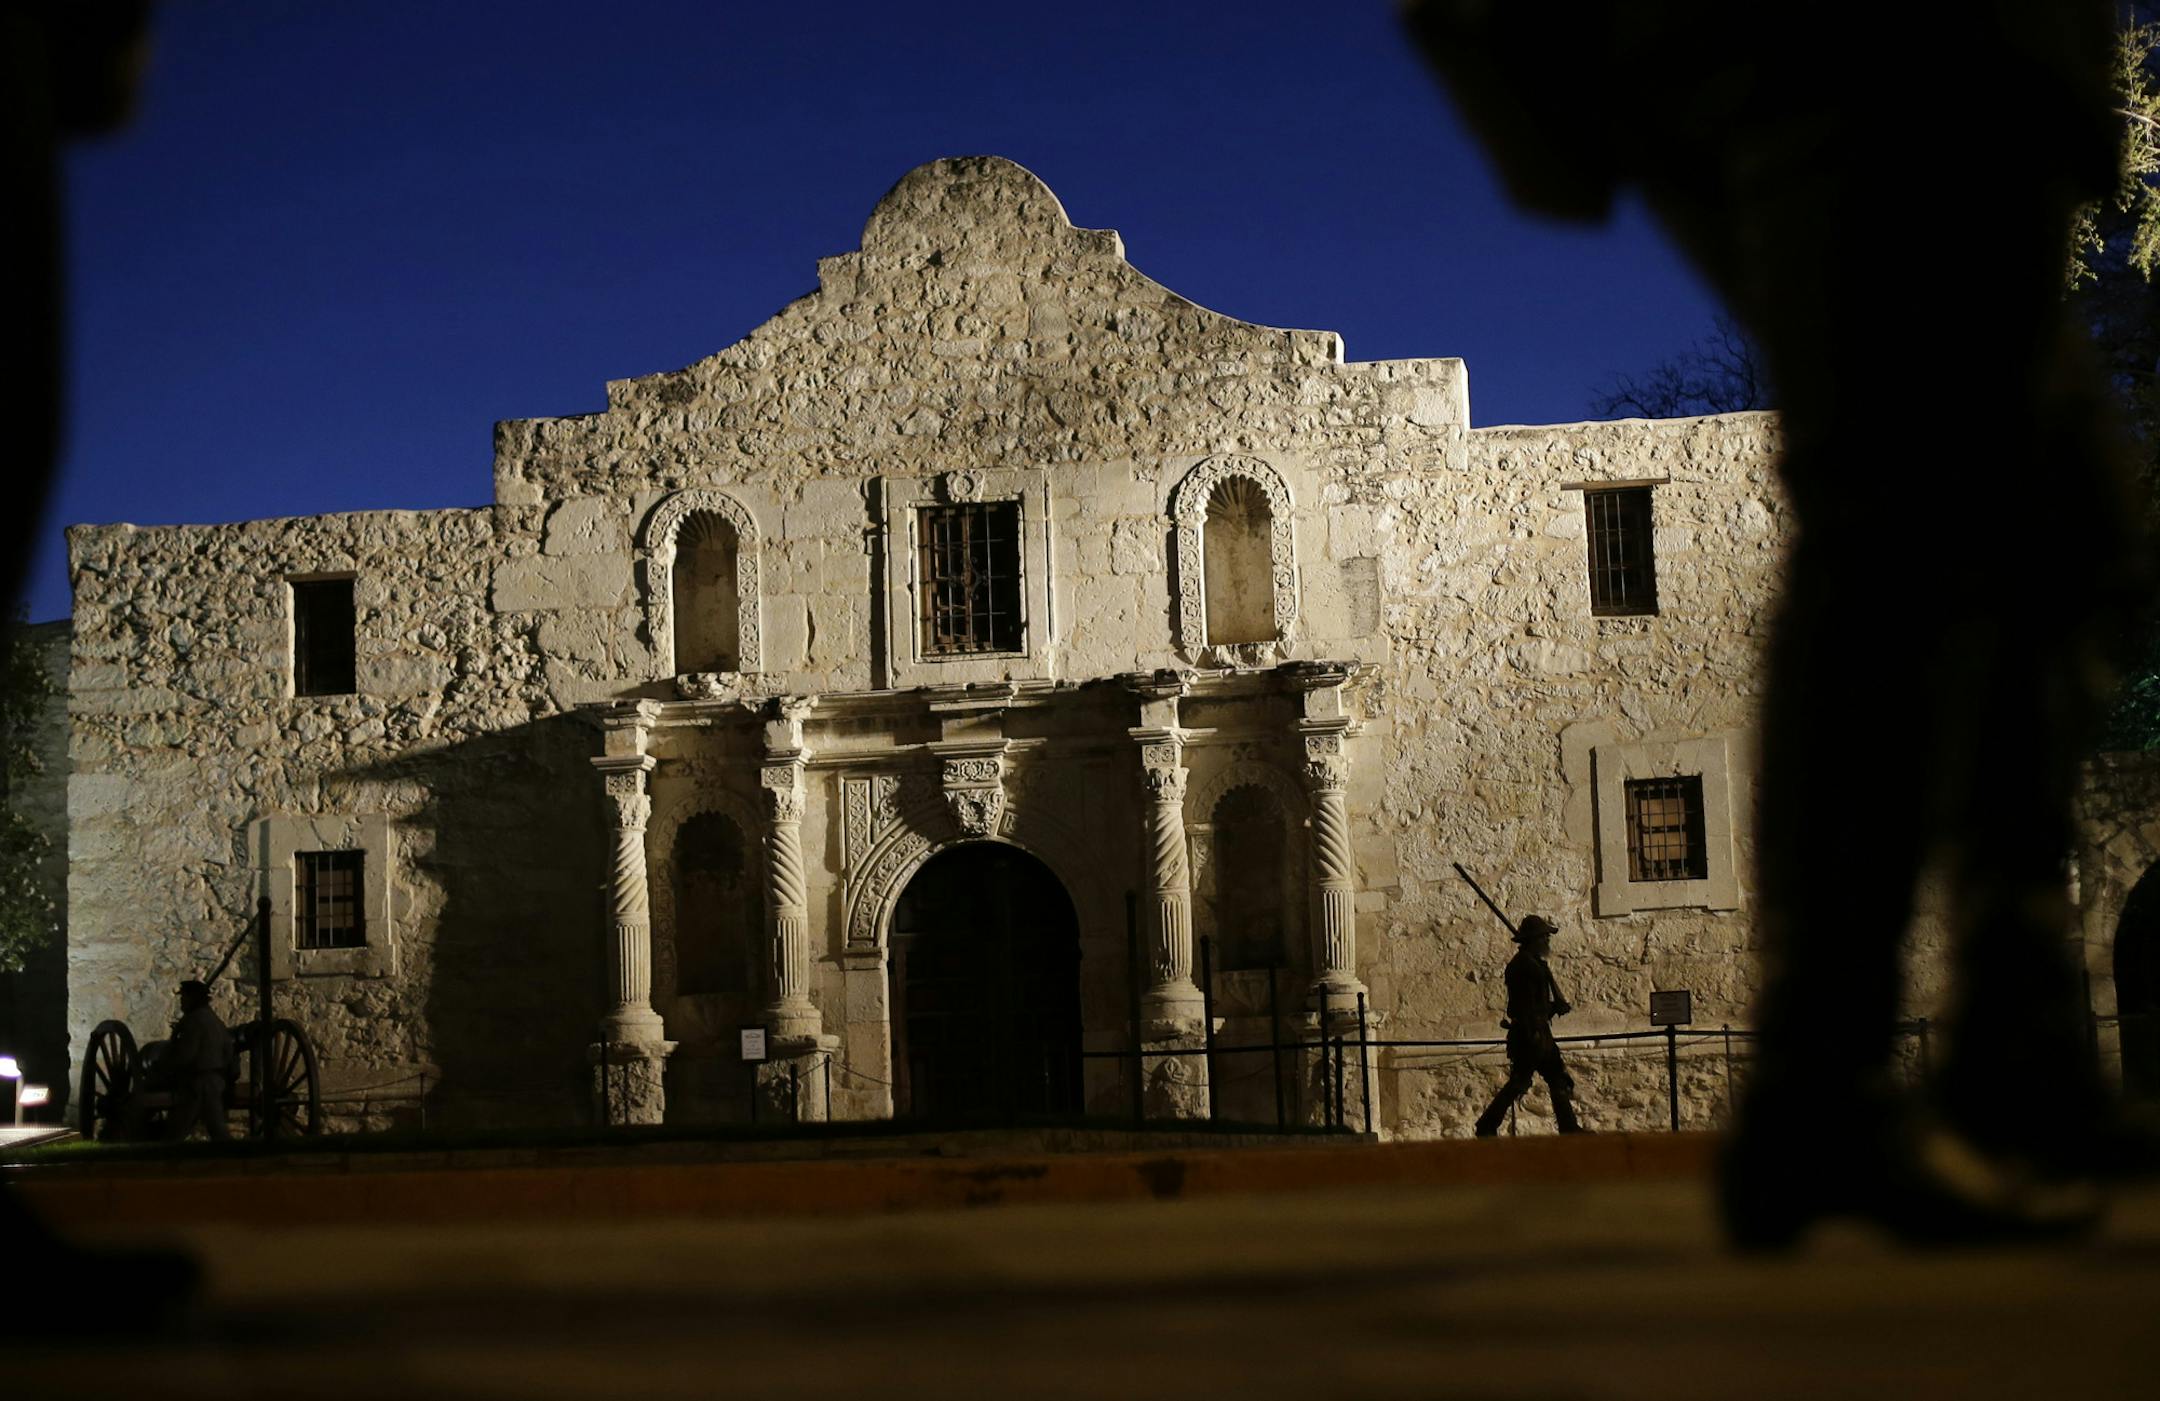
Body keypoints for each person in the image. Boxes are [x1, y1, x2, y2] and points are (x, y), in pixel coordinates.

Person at [1474, 915, 1586, 1137]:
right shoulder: (1525, 966)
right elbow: (1525, 1006)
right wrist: (1552, 1009)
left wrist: (1552, 1008)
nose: (1547, 941)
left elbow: (1536, 1004)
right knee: (1521, 1082)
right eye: (1544, 937)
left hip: (1537, 1031)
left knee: (1554, 1078)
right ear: (1534, 939)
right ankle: (1487, 1125)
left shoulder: (1532, 963)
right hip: (1530, 1034)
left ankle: (1568, 1127)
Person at [159, 979, 233, 1141]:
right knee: (215, 1125)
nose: (181, 1003)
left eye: (183, 998)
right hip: (214, 1079)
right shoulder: (214, 1020)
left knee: (178, 1128)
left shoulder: (193, 1021)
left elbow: (186, 1054)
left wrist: (166, 1071)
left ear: (192, 999)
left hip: (197, 1082)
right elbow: (228, 1050)